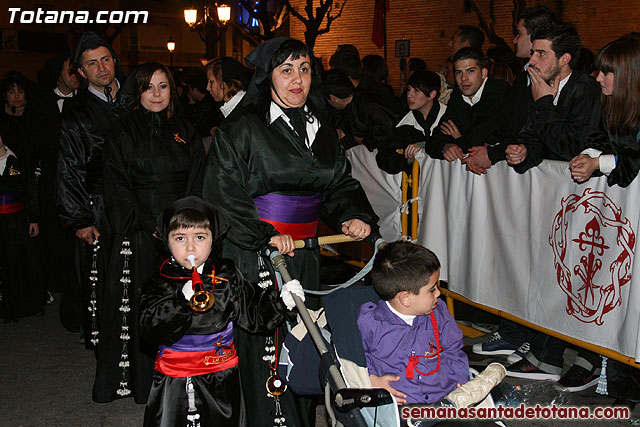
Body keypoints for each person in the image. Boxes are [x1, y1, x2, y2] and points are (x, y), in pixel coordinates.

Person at [202, 37, 378, 426]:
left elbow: (338, 183)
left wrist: (353, 213)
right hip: (257, 252)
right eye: (286, 70)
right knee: (266, 346)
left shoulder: (322, 127)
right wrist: (263, 234)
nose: (297, 79)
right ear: (268, 78)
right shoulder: (243, 128)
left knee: (305, 341)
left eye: (304, 69)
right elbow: (221, 193)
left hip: (307, 254)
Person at [96, 61, 205, 404]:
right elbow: (116, 184)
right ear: (137, 91)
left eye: (163, 86)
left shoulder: (186, 130)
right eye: (148, 87)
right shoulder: (121, 131)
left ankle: (183, 380)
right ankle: (141, 385)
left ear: (172, 90)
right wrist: (148, 223)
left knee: (184, 306)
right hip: (139, 233)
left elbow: (197, 181)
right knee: (138, 309)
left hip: (182, 233)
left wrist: (186, 226)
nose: (156, 94)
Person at [140, 196, 292, 426]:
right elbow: (150, 328)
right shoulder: (160, 280)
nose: (190, 247)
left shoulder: (225, 273)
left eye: (200, 237)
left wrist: (283, 300)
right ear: (167, 241)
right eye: (180, 238)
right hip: (177, 379)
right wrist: (181, 300)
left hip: (223, 377)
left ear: (213, 240)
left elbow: (253, 313)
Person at [57, 31, 130, 351]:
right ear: (81, 72)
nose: (102, 68)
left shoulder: (137, 99)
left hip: (136, 205)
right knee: (100, 280)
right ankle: (107, 347)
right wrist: (81, 219)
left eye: (105, 59)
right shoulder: (75, 115)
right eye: (92, 64)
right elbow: (68, 169)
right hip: (97, 207)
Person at [358, 241, 469, 405]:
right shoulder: (370, 323)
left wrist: (461, 380)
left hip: (444, 397)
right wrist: (370, 380)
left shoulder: (438, 312)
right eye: (432, 289)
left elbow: (454, 348)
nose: (439, 293)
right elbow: (356, 361)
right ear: (406, 298)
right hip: (400, 405)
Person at [506, 22, 602, 172]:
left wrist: (545, 104)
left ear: (564, 59)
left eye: (541, 53)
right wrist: (523, 152)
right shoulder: (540, 86)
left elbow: (572, 148)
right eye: (532, 53)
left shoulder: (586, 90)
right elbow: (535, 138)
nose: (532, 61)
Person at [570, 37, 640, 187]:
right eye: (599, 71)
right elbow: (600, 137)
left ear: (626, 75)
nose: (598, 78)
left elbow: (635, 160)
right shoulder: (611, 104)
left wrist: (598, 162)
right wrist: (587, 156)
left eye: (606, 73)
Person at [427, 47, 510, 167]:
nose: (463, 78)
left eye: (470, 71)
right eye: (458, 72)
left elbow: (477, 142)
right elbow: (435, 138)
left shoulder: (499, 94)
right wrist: (446, 146)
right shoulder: (457, 96)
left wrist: (459, 138)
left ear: (483, 73)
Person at [0, 126, 46, 322]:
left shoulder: (16, 160)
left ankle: (26, 304)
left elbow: (29, 191)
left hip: (15, 221)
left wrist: (33, 218)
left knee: (20, 261)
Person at [376, 70, 447, 174]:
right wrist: (410, 161)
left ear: (432, 94)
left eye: (416, 91)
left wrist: (424, 147)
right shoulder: (403, 122)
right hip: (416, 186)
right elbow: (384, 157)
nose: (410, 95)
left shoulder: (448, 116)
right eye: (409, 90)